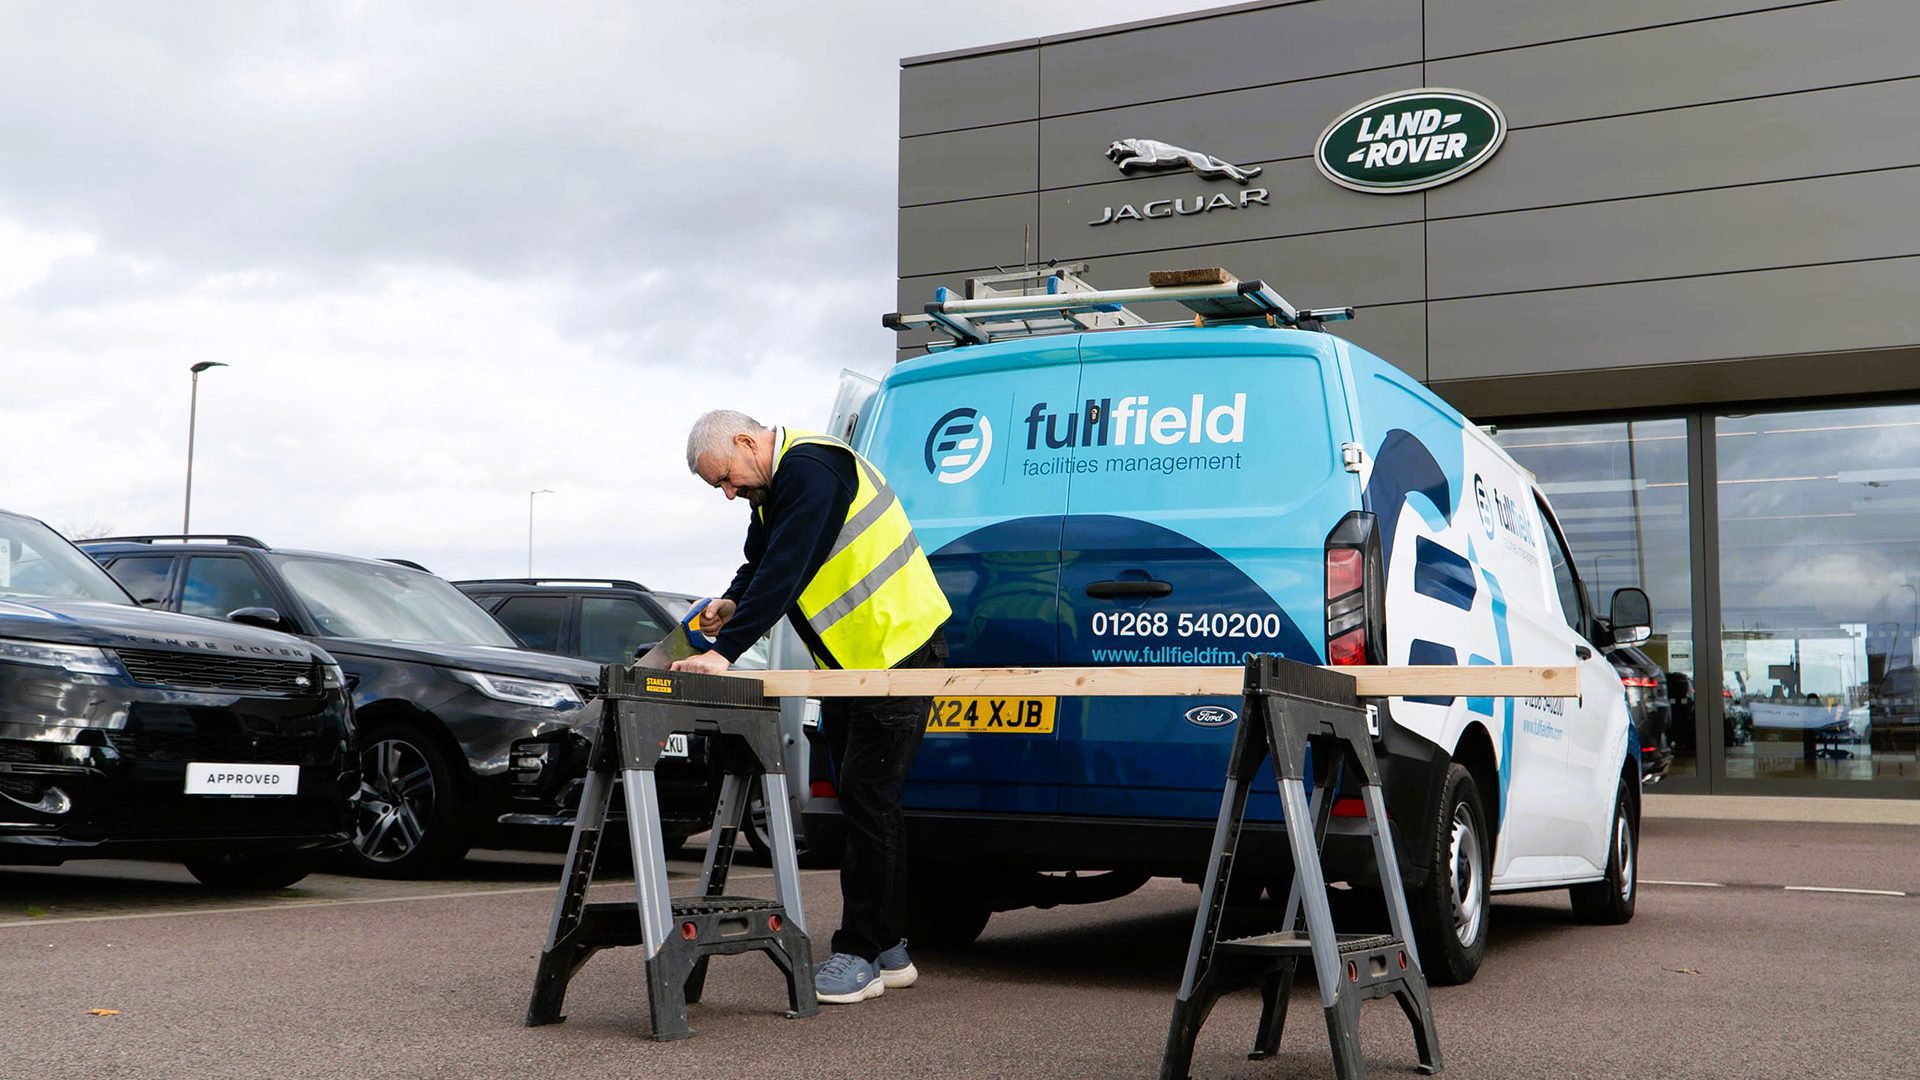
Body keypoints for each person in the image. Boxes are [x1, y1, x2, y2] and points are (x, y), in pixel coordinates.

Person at [673, 409, 951, 1006]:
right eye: (718, 486)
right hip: (856, 665)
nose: (728, 492)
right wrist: (731, 601)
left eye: (725, 477)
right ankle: (890, 947)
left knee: (868, 798)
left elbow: (787, 568)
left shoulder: (812, 469)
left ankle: (860, 953)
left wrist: (725, 653)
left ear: (747, 442)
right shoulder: (774, 488)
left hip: (896, 652)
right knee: (870, 802)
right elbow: (760, 564)